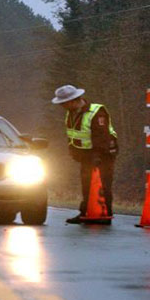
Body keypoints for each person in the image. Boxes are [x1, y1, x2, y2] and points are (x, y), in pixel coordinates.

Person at [51, 85, 118, 224]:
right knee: (86, 184)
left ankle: (105, 215)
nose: (62, 106)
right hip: (87, 154)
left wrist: (97, 155)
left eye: (64, 103)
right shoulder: (71, 112)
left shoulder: (96, 112)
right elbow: (73, 134)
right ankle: (86, 213)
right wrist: (73, 150)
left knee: (103, 184)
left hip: (103, 154)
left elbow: (101, 136)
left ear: (74, 100)